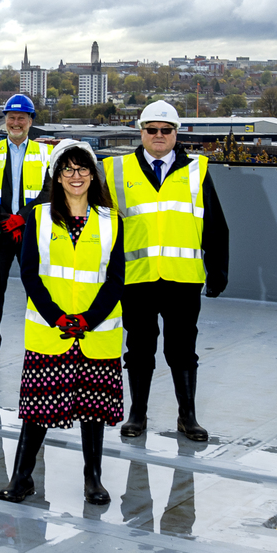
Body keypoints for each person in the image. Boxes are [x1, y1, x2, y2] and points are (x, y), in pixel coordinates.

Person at [2, 141, 125, 508]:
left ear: (93, 175)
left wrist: (88, 319)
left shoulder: (112, 220)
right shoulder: (37, 217)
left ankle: (93, 479)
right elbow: (28, 274)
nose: (76, 176)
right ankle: (22, 478)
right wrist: (57, 316)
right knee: (37, 409)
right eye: (68, 169)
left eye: (83, 169)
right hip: (49, 329)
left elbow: (115, 279)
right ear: (56, 176)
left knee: (92, 409)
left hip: (96, 331)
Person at [103, 101, 228, 442]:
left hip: (182, 278)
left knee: (182, 349)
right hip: (136, 278)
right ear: (140, 132)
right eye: (151, 129)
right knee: (139, 349)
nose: (158, 136)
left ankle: (187, 417)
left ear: (176, 133)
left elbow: (215, 224)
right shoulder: (116, 169)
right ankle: (137, 414)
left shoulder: (197, 169)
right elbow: (103, 228)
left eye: (166, 130)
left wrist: (217, 271)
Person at [0, 93, 53, 371]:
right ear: (5, 120)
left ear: (31, 121)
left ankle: (44, 350)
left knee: (38, 290)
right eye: (11, 117)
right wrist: (3, 222)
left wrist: (21, 219)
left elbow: (48, 192)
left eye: (21, 117)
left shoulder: (46, 153)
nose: (16, 122)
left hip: (30, 232)